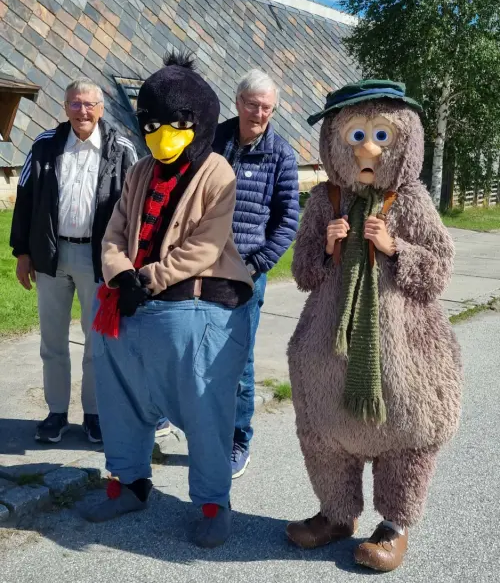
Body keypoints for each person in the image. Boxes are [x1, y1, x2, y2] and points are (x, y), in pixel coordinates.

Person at [286, 80, 462, 572]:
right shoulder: (325, 200)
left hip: (403, 347)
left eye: (381, 136)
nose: (368, 149)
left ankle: (394, 526)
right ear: (334, 141)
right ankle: (336, 514)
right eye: (357, 135)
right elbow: (302, 272)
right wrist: (326, 246)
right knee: (324, 434)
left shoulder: (410, 200)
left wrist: (394, 248)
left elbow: (438, 271)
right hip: (328, 346)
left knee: (406, 433)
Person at [82, 53, 254, 549]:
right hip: (128, 306)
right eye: (153, 125)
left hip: (193, 306)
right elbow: (114, 230)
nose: (163, 136)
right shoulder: (140, 171)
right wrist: (120, 273)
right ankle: (129, 482)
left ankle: (213, 503)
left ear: (199, 121)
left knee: (205, 409)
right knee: (120, 400)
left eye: (177, 124)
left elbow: (205, 244)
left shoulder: (218, 172)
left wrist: (149, 278)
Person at [10, 79, 137, 444]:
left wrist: (128, 260)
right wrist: (22, 252)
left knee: (98, 342)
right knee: (52, 340)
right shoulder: (45, 144)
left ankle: (95, 414)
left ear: (101, 108)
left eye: (89, 104)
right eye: (75, 104)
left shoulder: (122, 149)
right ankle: (56, 413)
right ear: (65, 107)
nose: (82, 111)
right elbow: (25, 197)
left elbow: (135, 207)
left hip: (98, 258)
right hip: (51, 254)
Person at [213, 69, 300, 478]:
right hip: (200, 265)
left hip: (245, 271)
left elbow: (287, 221)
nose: (259, 114)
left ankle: (238, 439)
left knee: (239, 360)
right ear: (237, 102)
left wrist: (258, 263)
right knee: (196, 350)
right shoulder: (213, 140)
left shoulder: (280, 154)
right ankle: (204, 427)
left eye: (267, 108)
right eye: (252, 105)